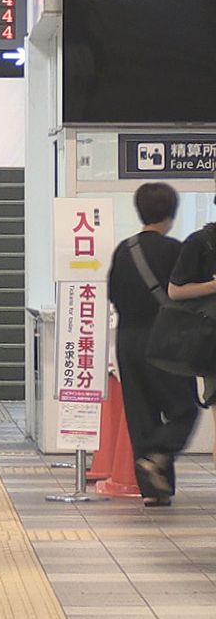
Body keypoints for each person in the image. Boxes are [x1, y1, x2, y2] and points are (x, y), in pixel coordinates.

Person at [108, 182, 198, 506]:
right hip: (165, 341)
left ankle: (154, 491)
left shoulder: (123, 249)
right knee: (183, 409)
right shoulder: (176, 250)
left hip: (127, 339)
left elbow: (113, 295)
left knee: (141, 412)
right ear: (171, 214)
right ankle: (159, 454)